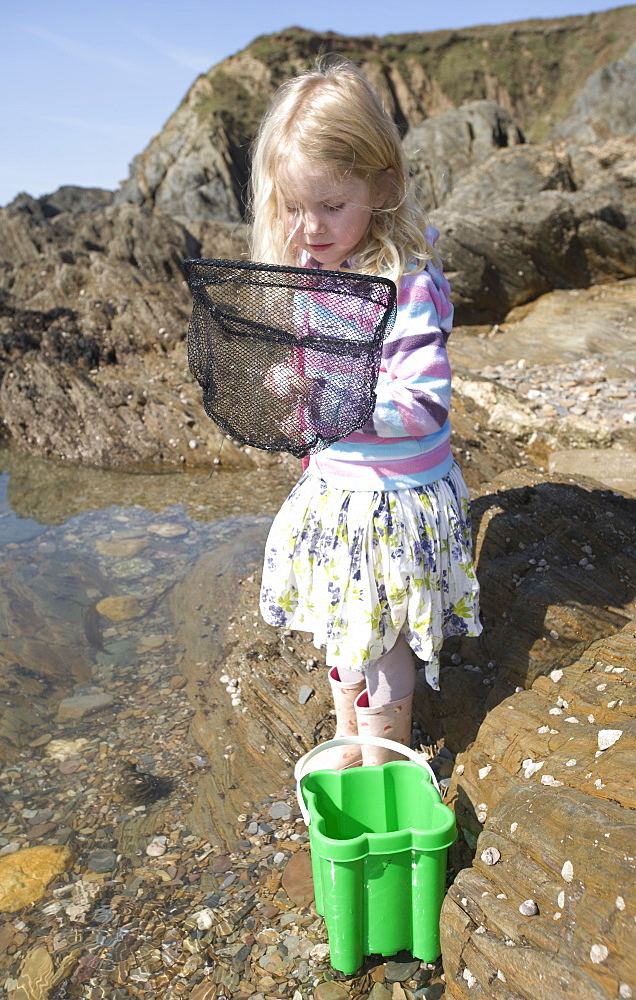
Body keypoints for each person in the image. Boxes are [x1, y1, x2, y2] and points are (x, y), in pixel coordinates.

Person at [250, 58, 481, 769]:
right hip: (337, 493)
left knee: (380, 650)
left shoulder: (403, 286)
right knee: (341, 638)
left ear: (380, 188)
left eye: (330, 205)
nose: (309, 227)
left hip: (392, 504)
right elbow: (321, 377)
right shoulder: (314, 278)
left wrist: (333, 403)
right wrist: (294, 386)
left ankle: (382, 770)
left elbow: (418, 402)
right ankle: (349, 744)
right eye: (292, 207)